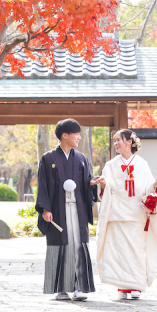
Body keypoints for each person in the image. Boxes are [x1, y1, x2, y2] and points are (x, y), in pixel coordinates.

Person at [35, 119, 103, 301]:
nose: (79, 137)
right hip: (57, 210)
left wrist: (91, 183)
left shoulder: (81, 159)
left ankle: (79, 287)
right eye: (76, 134)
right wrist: (45, 209)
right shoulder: (48, 158)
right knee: (60, 245)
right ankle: (61, 288)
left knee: (78, 245)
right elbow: (43, 185)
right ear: (64, 135)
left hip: (78, 209)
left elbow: (86, 183)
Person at [96, 129, 157, 300]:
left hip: (136, 215)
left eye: (119, 140)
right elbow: (107, 190)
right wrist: (103, 185)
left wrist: (154, 187)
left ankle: (136, 286)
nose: (116, 143)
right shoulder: (110, 165)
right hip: (116, 215)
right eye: (115, 140)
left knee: (136, 250)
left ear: (129, 141)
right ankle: (122, 286)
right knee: (118, 251)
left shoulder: (142, 164)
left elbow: (147, 188)